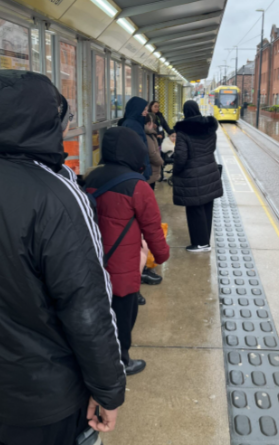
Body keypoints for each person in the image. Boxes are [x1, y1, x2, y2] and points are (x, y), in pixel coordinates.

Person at [0, 71, 125, 445]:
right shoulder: (56, 196)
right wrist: (108, 389)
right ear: (39, 124)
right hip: (43, 396)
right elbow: (87, 306)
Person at [85, 127, 170, 375]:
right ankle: (120, 362)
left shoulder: (91, 177)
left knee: (98, 315)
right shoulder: (137, 185)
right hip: (122, 267)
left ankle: (97, 358)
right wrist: (162, 255)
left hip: (93, 261)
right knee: (123, 317)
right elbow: (153, 228)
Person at [173, 100, 223, 253]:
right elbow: (212, 148)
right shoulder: (209, 128)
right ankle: (205, 240)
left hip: (192, 174)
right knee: (207, 207)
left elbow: (181, 157)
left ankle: (200, 243)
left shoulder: (183, 132)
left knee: (195, 209)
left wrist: (176, 171)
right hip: (209, 170)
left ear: (185, 112)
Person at [119, 96, 152, 180]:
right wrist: (142, 170)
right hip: (137, 170)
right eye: (144, 110)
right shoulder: (134, 125)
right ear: (137, 110)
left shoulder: (129, 123)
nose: (146, 112)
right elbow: (139, 149)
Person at [145, 112, 164, 190]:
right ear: (149, 123)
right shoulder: (148, 135)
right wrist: (161, 161)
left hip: (151, 171)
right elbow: (152, 153)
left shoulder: (150, 133)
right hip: (151, 171)